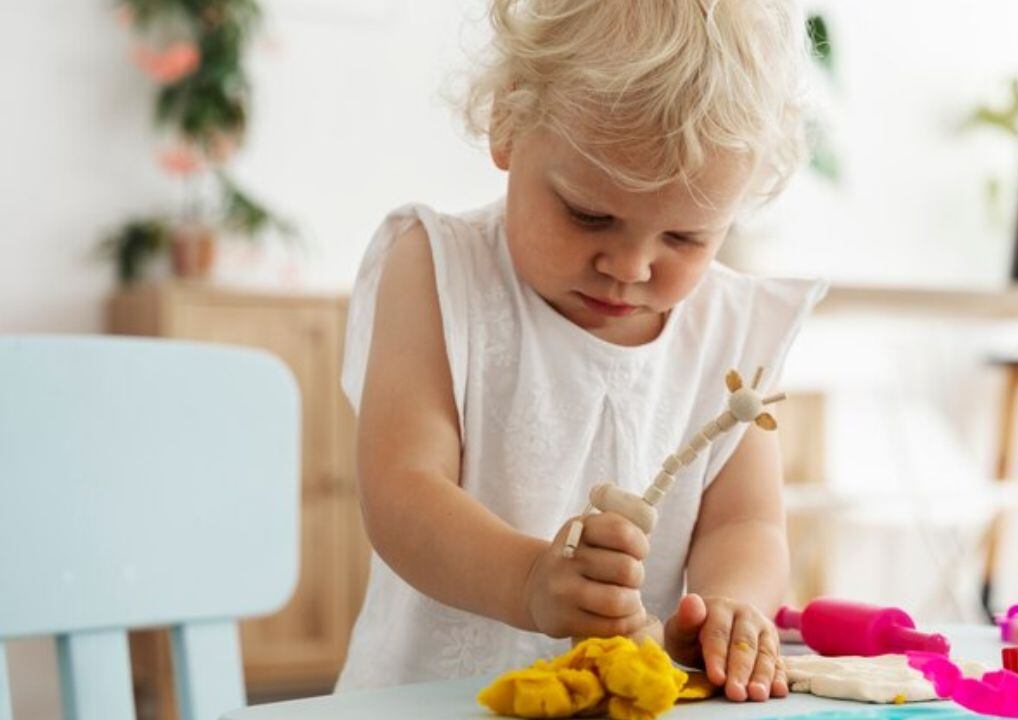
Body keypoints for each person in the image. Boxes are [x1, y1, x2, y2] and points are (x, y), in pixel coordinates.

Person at [336, 0, 826, 704]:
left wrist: (726, 608)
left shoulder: (732, 330)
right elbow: (404, 489)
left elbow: (746, 522)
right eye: (589, 214)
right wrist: (529, 581)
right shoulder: (438, 270)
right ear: (508, 122)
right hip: (426, 702)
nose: (630, 267)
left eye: (685, 238)